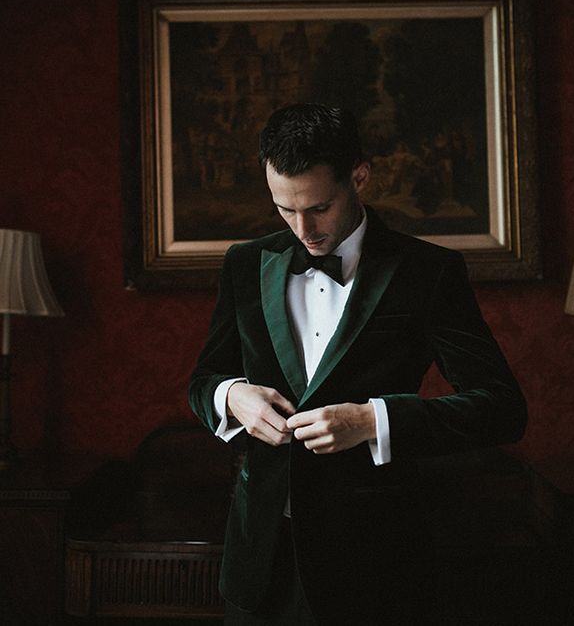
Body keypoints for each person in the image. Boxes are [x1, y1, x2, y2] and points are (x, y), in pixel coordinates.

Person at [188, 103, 527, 625]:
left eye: (319, 207)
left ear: (360, 176)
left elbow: (502, 408)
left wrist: (374, 421)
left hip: (376, 565)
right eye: (284, 209)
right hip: (261, 562)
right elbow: (203, 381)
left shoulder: (429, 272)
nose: (303, 228)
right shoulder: (244, 263)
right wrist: (231, 395)